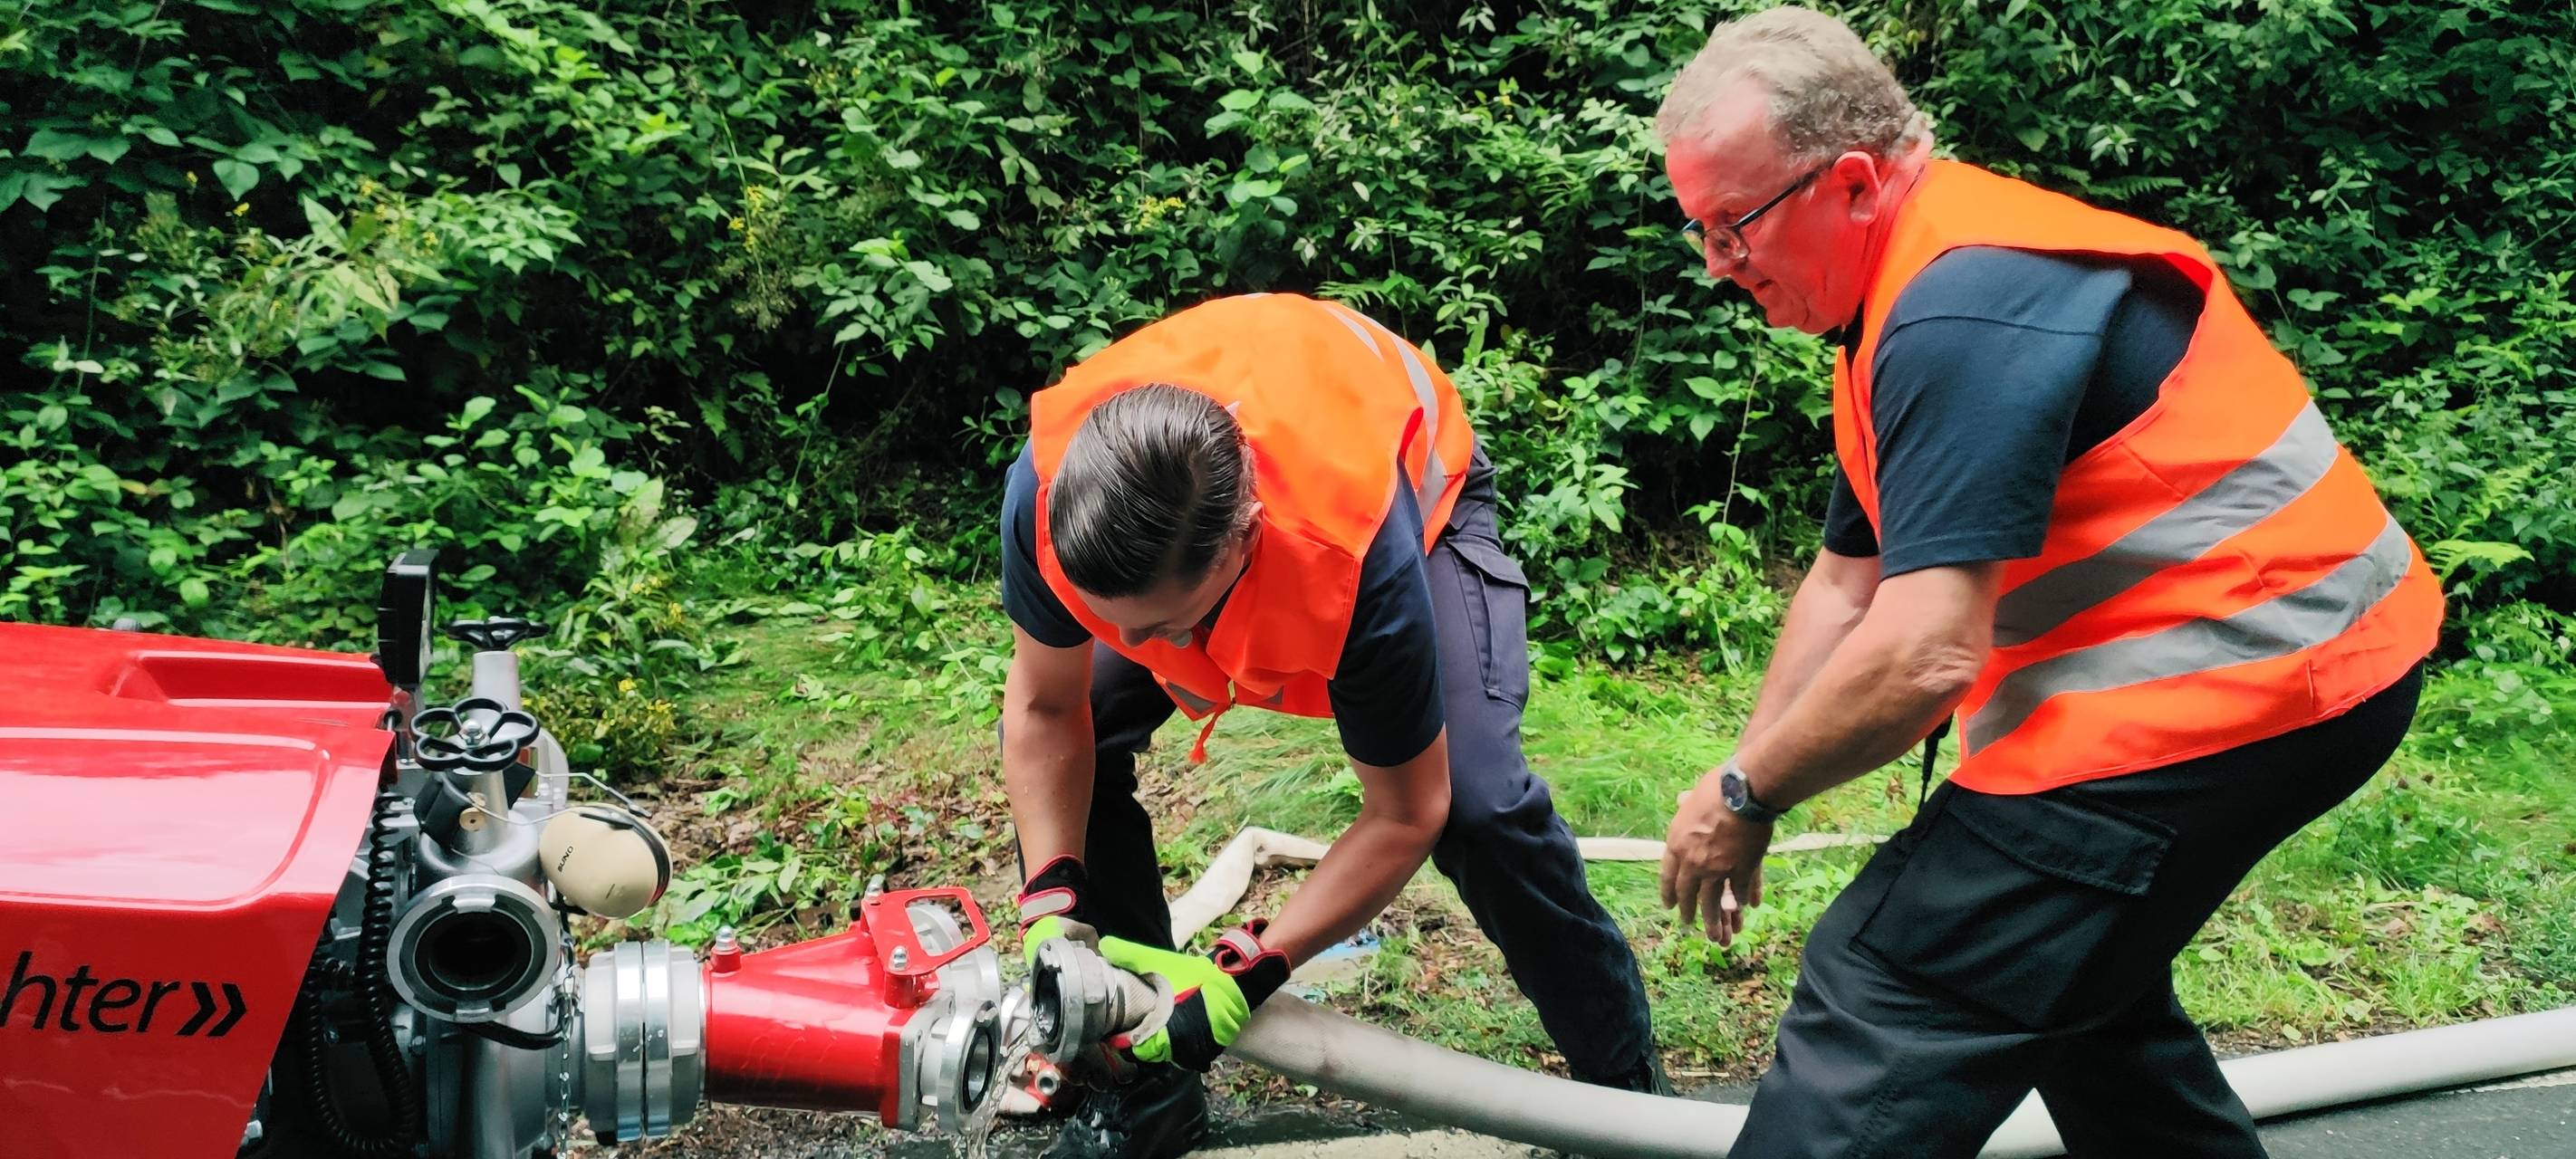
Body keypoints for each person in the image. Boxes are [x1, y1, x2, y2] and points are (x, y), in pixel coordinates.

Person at [1648, 8, 2446, 1156]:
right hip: (2287, 671)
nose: (1720, 265)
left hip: (2254, 678)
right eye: (1700, 232)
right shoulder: (1913, 291)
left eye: (1733, 226)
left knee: (1899, 978)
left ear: (1855, 184)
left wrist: (1746, 797)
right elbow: (1845, 582)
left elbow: (1925, 648)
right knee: (2075, 993)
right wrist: (1741, 782)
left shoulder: (1965, 307)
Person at [996, 292, 1668, 1158]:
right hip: (1228, 501)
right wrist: (1053, 896)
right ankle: (1144, 1091)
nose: (1126, 648)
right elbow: (1049, 707)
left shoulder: (1351, 547)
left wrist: (1257, 964)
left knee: (1479, 806)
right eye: (1105, 621)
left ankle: (1627, 1100)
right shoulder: (1048, 494)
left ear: (1242, 543)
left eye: (1160, 627)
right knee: (1090, 722)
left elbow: (1406, 812)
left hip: (1423, 513)